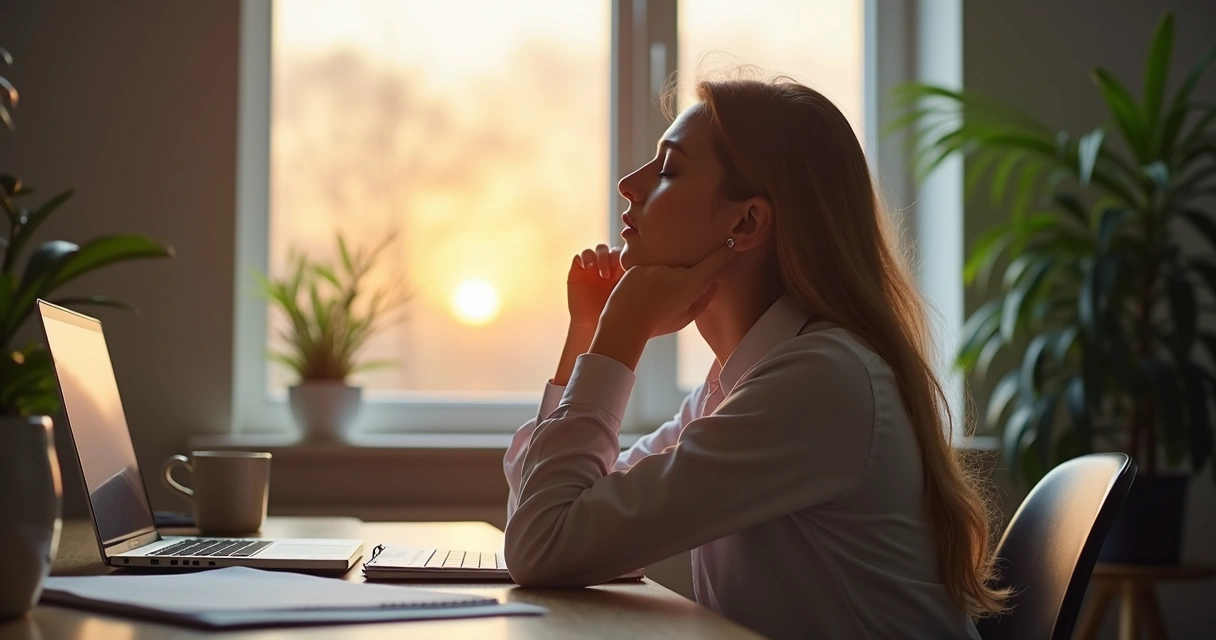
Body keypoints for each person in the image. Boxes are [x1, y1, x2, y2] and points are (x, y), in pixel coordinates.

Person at [502, 76, 1008, 639]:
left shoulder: (819, 384)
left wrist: (623, 336)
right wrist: (590, 333)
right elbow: (541, 508)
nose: (629, 185)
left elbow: (543, 543)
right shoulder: (741, 381)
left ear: (746, 222)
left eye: (668, 170)